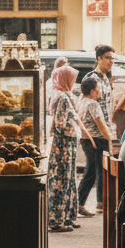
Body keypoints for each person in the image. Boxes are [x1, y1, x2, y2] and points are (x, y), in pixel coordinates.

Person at [48, 64, 87, 232]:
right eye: (72, 79)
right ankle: (58, 221)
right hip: (63, 145)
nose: (74, 82)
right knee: (62, 180)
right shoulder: (62, 97)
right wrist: (73, 125)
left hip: (65, 144)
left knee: (68, 180)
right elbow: (59, 124)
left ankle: (67, 218)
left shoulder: (60, 94)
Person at [80, 44, 117, 210]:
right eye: (108, 57)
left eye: (112, 58)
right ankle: (90, 202)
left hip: (104, 130)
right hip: (96, 133)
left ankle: (101, 202)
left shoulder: (106, 79)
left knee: (102, 169)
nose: (111, 61)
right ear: (99, 58)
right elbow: (90, 106)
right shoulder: (92, 78)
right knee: (95, 170)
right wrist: (105, 133)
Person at [76, 76, 112, 216]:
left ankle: (92, 203)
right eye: (97, 90)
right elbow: (100, 123)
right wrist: (109, 138)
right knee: (93, 172)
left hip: (86, 139)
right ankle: (79, 203)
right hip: (96, 140)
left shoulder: (82, 101)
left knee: (94, 171)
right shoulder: (93, 103)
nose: (99, 92)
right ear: (91, 91)